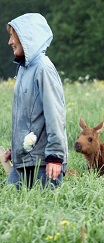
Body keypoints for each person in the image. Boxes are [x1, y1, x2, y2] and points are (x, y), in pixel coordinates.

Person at [5, 13, 68, 189]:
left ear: (27, 37)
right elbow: (27, 117)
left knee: (44, 214)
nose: (9, 42)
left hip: (44, 163)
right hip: (24, 160)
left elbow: (55, 115)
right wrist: (16, 148)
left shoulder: (43, 68)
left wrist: (55, 156)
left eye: (12, 36)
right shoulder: (23, 69)